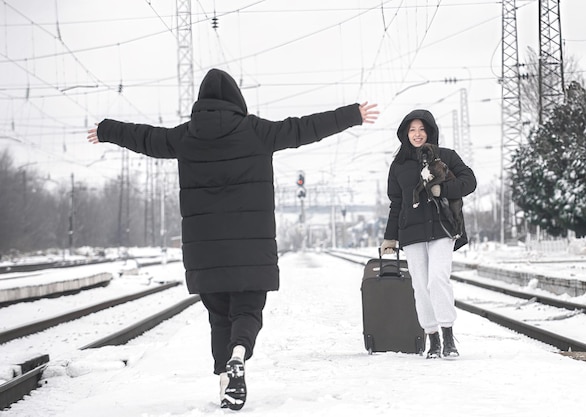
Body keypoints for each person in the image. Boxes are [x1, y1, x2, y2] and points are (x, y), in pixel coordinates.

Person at [87, 68, 379, 410]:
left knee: (218, 316)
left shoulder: (185, 137)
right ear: (236, 100)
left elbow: (147, 138)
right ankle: (238, 356)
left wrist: (107, 130)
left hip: (205, 251)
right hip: (251, 247)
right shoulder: (257, 131)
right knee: (247, 310)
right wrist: (351, 115)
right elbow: (304, 128)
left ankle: (224, 380)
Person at [379, 109, 476, 359]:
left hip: (443, 228)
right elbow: (396, 204)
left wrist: (441, 190)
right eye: (412, 130)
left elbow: (470, 182)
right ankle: (432, 338)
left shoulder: (446, 156)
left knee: (437, 280)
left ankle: (448, 336)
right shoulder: (398, 166)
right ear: (404, 134)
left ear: (430, 131)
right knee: (421, 286)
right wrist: (390, 237)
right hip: (411, 234)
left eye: (422, 129)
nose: (417, 134)